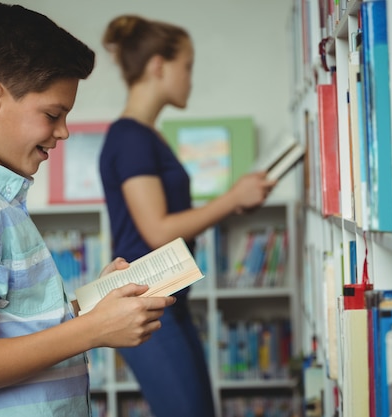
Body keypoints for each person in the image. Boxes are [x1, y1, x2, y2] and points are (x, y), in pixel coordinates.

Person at [0, 4, 175, 417]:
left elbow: (9, 322)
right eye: (52, 114)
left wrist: (86, 308)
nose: (63, 131)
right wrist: (93, 329)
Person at [99, 14, 276, 417]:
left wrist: (236, 202)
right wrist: (231, 199)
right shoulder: (130, 138)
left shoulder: (146, 135)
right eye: (188, 66)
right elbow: (157, 229)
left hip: (169, 297)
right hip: (145, 298)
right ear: (158, 66)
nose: (191, 78)